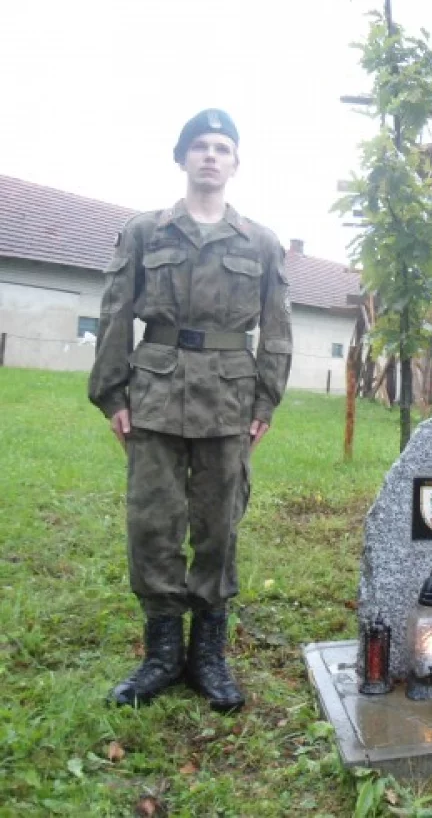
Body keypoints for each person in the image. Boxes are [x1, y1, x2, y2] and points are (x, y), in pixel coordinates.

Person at [88, 109, 293, 712]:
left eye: (221, 147)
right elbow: (114, 314)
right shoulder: (146, 231)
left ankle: (207, 655)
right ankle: (160, 655)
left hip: (230, 399)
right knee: (152, 522)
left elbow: (277, 329)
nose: (210, 155)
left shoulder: (259, 241)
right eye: (199, 146)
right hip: (154, 393)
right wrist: (113, 392)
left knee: (218, 524)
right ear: (182, 159)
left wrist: (266, 398)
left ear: (234, 163)